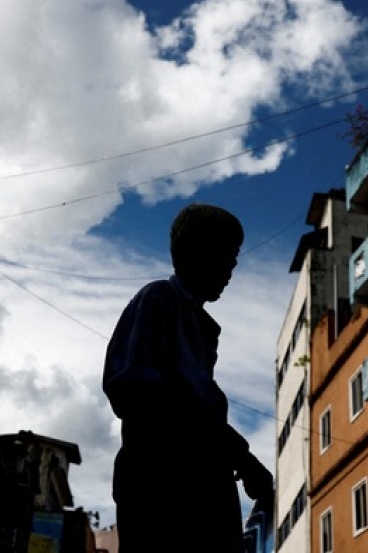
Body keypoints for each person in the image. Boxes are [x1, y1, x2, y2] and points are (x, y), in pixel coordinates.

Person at [102, 203, 274, 553]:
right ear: (193, 252)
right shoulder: (158, 300)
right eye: (227, 253)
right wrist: (239, 455)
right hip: (164, 487)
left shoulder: (202, 328)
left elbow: (196, 406)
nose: (233, 266)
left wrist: (238, 458)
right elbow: (140, 393)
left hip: (203, 488)